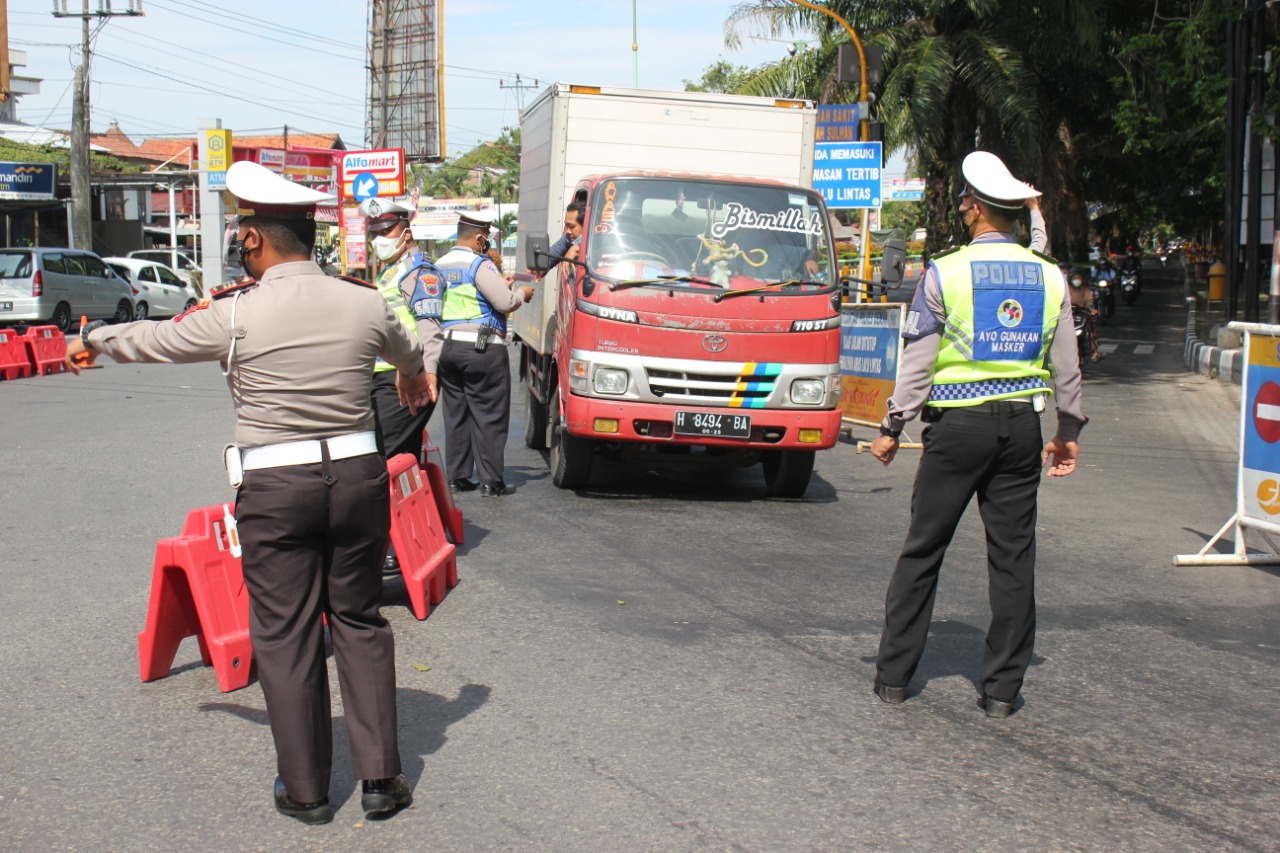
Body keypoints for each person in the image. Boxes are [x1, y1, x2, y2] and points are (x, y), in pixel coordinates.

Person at [63, 160, 434, 824]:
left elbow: (155, 340)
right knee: (359, 619)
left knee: (287, 632)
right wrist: (410, 374)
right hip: (358, 479)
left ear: (255, 239)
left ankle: (307, 791)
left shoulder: (234, 313)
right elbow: (408, 351)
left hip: (277, 487)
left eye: (241, 233)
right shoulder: (364, 300)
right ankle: (382, 779)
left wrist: (94, 336)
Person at [868, 150, 1086, 719]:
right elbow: (1068, 366)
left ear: (974, 210)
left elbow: (918, 364)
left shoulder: (946, 272)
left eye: (965, 199)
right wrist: (1067, 429)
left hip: (958, 431)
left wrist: (893, 425)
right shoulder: (1049, 275)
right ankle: (1002, 693)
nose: (962, 206)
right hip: (1022, 429)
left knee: (924, 549)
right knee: (1013, 560)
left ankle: (894, 678)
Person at [428, 212, 534, 496]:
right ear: (478, 237)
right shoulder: (480, 263)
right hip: (482, 348)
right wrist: (522, 293)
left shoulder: (439, 264)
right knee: (489, 415)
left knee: (456, 414)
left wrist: (501, 283)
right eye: (487, 236)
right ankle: (491, 481)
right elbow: (505, 302)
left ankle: (458, 477)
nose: (488, 242)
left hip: (448, 347)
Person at [1067, 266, 1100, 362]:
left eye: (1078, 278)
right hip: (1067, 315)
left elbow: (1089, 301)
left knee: (1091, 327)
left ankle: (1094, 351)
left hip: (1082, 314)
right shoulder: (1065, 289)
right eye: (1075, 278)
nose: (1077, 280)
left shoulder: (1085, 289)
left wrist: (1091, 309)